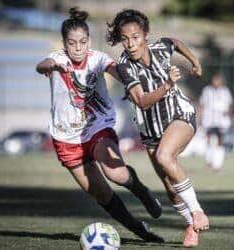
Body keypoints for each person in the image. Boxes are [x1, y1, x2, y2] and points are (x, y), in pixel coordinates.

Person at [35, 7, 164, 243]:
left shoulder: (97, 58)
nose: (77, 47)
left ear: (89, 41)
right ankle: (139, 229)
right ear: (64, 43)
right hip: (66, 138)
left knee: (115, 173)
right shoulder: (58, 59)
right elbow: (41, 65)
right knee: (100, 193)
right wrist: (52, 66)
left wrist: (130, 82)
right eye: (72, 43)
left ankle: (142, 191)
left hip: (97, 126)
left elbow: (116, 70)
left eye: (82, 42)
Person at [106, 9, 209, 248]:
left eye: (135, 37)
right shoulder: (124, 67)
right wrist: (168, 83)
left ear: (145, 35)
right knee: (170, 188)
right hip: (150, 129)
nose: (130, 44)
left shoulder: (160, 48)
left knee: (165, 156)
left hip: (180, 114)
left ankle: (197, 212)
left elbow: (175, 42)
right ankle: (191, 226)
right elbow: (142, 101)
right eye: (125, 38)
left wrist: (195, 61)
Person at [199, 73, 233, 171]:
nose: (216, 82)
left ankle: (218, 164)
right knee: (209, 140)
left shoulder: (225, 91)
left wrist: (229, 116)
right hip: (209, 120)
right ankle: (209, 161)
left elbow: (229, 106)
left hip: (221, 121)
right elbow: (203, 105)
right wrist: (200, 118)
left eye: (218, 80)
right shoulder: (207, 90)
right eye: (215, 80)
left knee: (220, 141)